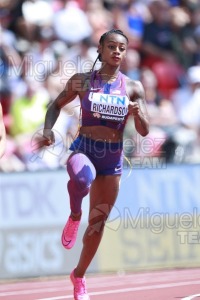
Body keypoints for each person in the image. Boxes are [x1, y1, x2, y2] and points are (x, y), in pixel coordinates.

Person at [42, 29, 149, 300]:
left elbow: (145, 130)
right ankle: (74, 215)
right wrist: (47, 131)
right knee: (81, 179)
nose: (117, 52)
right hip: (84, 149)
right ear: (100, 49)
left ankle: (78, 276)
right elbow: (55, 106)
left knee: (98, 224)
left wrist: (138, 115)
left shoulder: (134, 87)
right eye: (111, 46)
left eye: (122, 48)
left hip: (112, 158)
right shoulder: (82, 81)